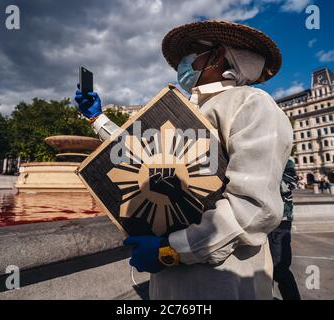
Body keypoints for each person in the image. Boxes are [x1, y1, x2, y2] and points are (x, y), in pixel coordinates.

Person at [75, 20, 293, 299]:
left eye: (193, 51)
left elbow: (253, 209)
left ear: (218, 56)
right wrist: (97, 118)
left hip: (222, 284)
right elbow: (138, 157)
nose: (185, 60)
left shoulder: (251, 103)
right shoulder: (189, 108)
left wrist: (171, 251)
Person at [268, 158, 301, 300]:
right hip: (262, 219)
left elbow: (289, 184)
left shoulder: (285, 160)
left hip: (281, 220)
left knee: (280, 268)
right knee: (264, 267)